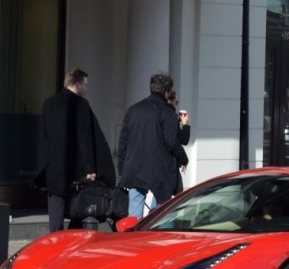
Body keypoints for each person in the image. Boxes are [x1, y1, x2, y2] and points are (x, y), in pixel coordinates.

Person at [39, 67, 116, 231]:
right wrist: (90, 167)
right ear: (78, 84)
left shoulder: (49, 103)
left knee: (55, 210)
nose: (86, 89)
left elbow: (46, 133)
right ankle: (70, 240)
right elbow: (86, 137)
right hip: (75, 168)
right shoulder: (81, 105)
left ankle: (55, 243)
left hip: (53, 165)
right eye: (85, 85)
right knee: (80, 206)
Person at [118, 72, 182, 217]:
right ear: (166, 92)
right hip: (160, 171)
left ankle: (133, 239)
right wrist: (184, 158)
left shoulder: (133, 110)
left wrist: (122, 167)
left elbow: (123, 142)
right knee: (159, 216)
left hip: (134, 169)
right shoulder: (168, 113)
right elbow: (171, 142)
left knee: (134, 215)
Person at [165, 88, 190, 193]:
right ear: (171, 101)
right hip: (168, 164)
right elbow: (178, 141)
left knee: (163, 197)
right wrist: (184, 159)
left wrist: (184, 124)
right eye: (176, 102)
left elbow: (183, 140)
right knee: (168, 197)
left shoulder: (168, 117)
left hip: (165, 163)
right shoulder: (170, 116)